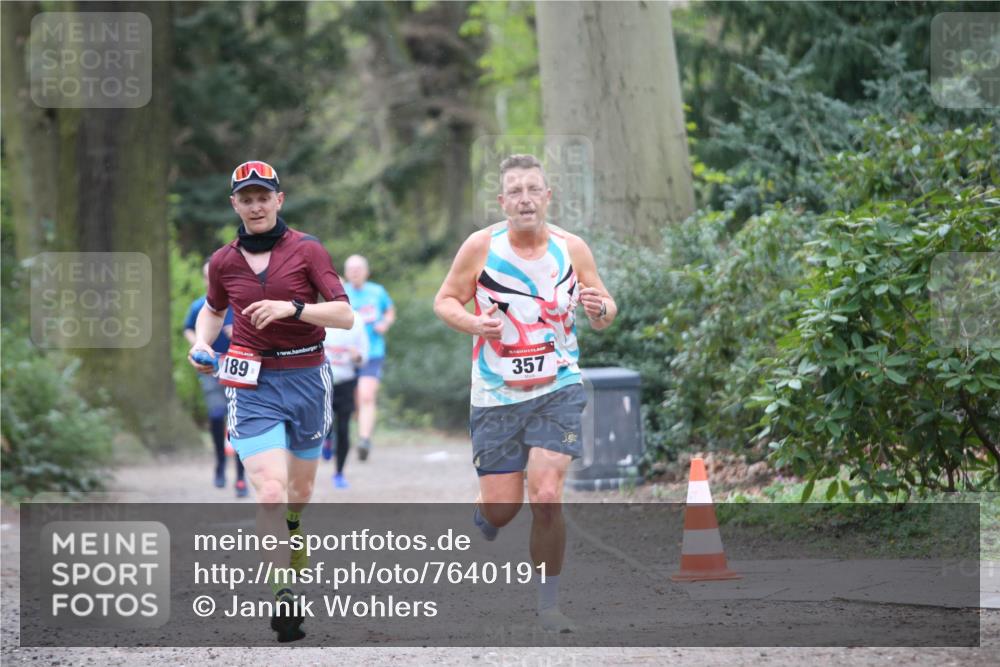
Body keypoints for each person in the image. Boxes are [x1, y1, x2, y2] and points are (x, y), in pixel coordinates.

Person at [433, 154, 617, 634]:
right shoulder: (480, 247)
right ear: (502, 202)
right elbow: (445, 300)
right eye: (515, 191)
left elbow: (603, 307)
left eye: (533, 189)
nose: (525, 199)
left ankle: (548, 605)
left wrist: (601, 309)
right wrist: (474, 322)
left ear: (548, 195)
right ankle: (486, 513)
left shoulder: (572, 248)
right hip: (496, 394)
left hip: (558, 385)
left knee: (548, 493)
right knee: (503, 507)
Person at [187, 160, 354, 643]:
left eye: (264, 196)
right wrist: (202, 345)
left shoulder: (307, 250)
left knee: (298, 497)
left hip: (307, 377)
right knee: (271, 492)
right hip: (251, 380)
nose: (256, 205)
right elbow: (213, 312)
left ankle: (295, 529)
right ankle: (284, 596)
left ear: (279, 200)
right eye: (246, 198)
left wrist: (294, 307)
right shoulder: (223, 261)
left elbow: (344, 315)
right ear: (234, 205)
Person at [183, 261, 247, 497]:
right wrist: (199, 343)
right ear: (204, 279)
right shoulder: (200, 305)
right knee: (217, 415)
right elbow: (188, 328)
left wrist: (240, 332)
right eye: (208, 277)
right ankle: (220, 464)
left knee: (238, 421)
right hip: (211, 366)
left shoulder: (240, 305)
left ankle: (241, 477)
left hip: (239, 366)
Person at [342, 254, 395, 461]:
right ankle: (341, 436)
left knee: (366, 395)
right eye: (351, 269)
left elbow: (389, 311)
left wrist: (386, 323)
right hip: (345, 355)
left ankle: (364, 440)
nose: (355, 272)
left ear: (366, 271)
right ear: (346, 273)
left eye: (359, 268)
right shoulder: (340, 292)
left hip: (372, 352)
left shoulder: (377, 291)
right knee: (351, 401)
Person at [321, 304, 369, 488]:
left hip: (346, 382)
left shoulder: (356, 320)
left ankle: (339, 473)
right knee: (324, 423)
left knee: (344, 429)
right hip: (322, 380)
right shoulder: (317, 316)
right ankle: (326, 439)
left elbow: (363, 358)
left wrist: (357, 356)